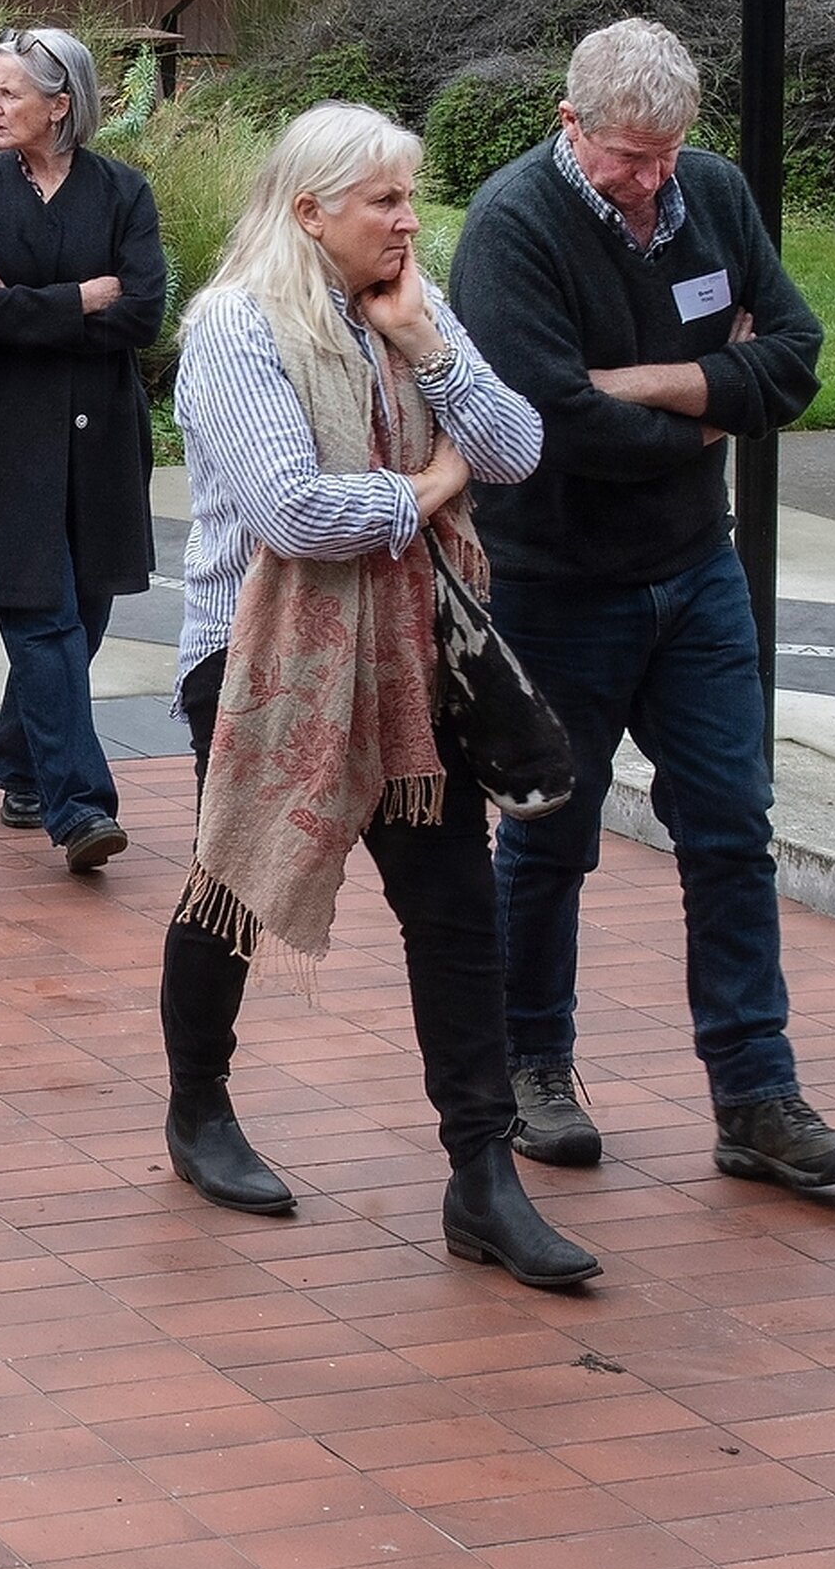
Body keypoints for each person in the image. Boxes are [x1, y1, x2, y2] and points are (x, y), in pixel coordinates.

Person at [159, 101, 592, 1289]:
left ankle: (481, 1178)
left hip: (408, 654)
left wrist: (431, 353)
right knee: (235, 880)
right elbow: (293, 512)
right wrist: (433, 486)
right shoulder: (235, 327)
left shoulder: (408, 304)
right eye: (385, 201)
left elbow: (517, 449)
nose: (409, 221)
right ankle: (199, 1107)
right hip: (258, 658)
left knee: (453, 907)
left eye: (410, 197)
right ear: (311, 212)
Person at [450, 18, 835, 1192]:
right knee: (550, 834)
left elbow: (794, 356)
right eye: (626, 158)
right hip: (555, 585)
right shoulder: (512, 227)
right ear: (569, 123)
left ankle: (755, 1097)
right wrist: (710, 410)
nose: (650, 182)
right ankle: (530, 1069)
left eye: (666, 154)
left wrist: (646, 385)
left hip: (697, 573)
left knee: (732, 828)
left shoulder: (715, 195)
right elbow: (547, 424)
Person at [0, 26, 164, 871]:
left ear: (59, 106)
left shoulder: (124, 193)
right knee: (44, 616)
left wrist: (24, 303)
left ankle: (21, 761)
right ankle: (81, 807)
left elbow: (142, 313)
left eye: (10, 93)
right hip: (0, 443)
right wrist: (79, 300)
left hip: (102, 443)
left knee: (83, 615)